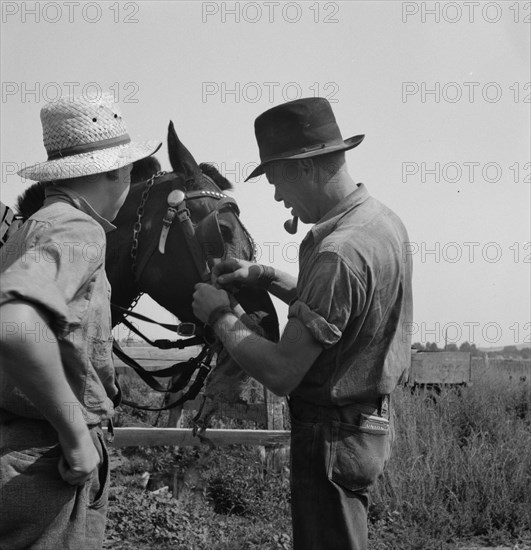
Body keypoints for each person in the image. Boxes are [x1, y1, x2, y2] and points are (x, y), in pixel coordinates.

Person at [192, 97, 413, 550]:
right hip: (361, 429)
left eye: (275, 180)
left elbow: (280, 372)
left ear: (305, 168)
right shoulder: (380, 223)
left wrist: (219, 314)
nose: (277, 196)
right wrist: (265, 276)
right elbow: (340, 314)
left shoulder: (337, 253)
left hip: (329, 437)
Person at [0, 94, 161, 549]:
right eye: (129, 174)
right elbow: (13, 324)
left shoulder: (31, 225)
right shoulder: (79, 229)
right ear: (114, 172)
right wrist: (75, 435)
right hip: (48, 460)